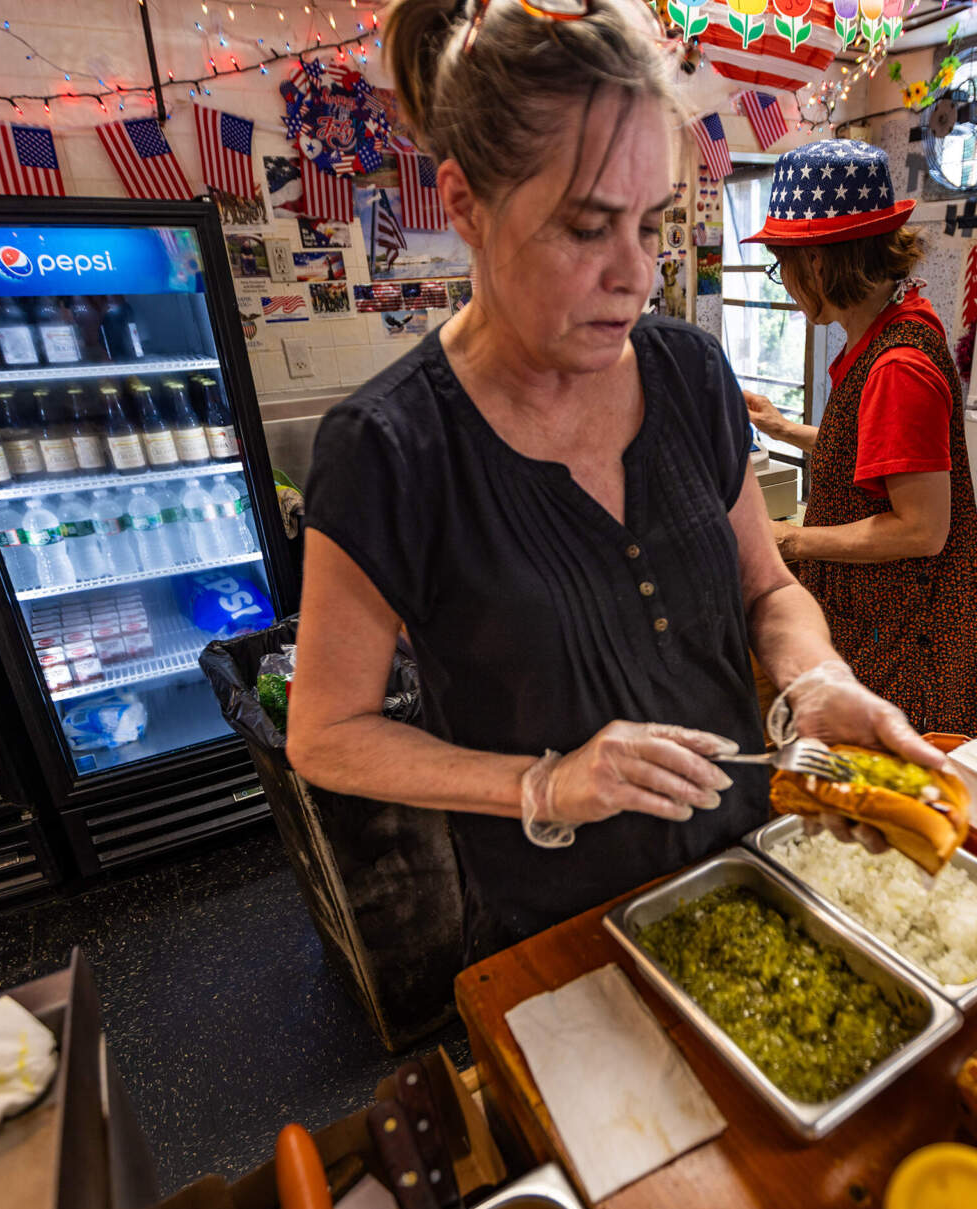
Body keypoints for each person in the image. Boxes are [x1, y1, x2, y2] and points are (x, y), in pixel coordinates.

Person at [287, 0, 942, 958]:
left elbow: (766, 586)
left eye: (650, 223)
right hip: (556, 914)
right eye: (587, 228)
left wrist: (817, 679)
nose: (634, 274)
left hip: (748, 853)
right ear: (465, 204)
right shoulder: (388, 448)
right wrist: (544, 785)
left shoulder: (690, 374)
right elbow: (325, 733)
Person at [743, 139, 977, 740]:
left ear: (822, 263)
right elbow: (875, 454)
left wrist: (791, 541)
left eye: (785, 265)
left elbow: (920, 529)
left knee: (896, 789)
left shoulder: (896, 366)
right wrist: (780, 427)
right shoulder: (883, 331)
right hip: (887, 617)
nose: (784, 283)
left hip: (908, 636)